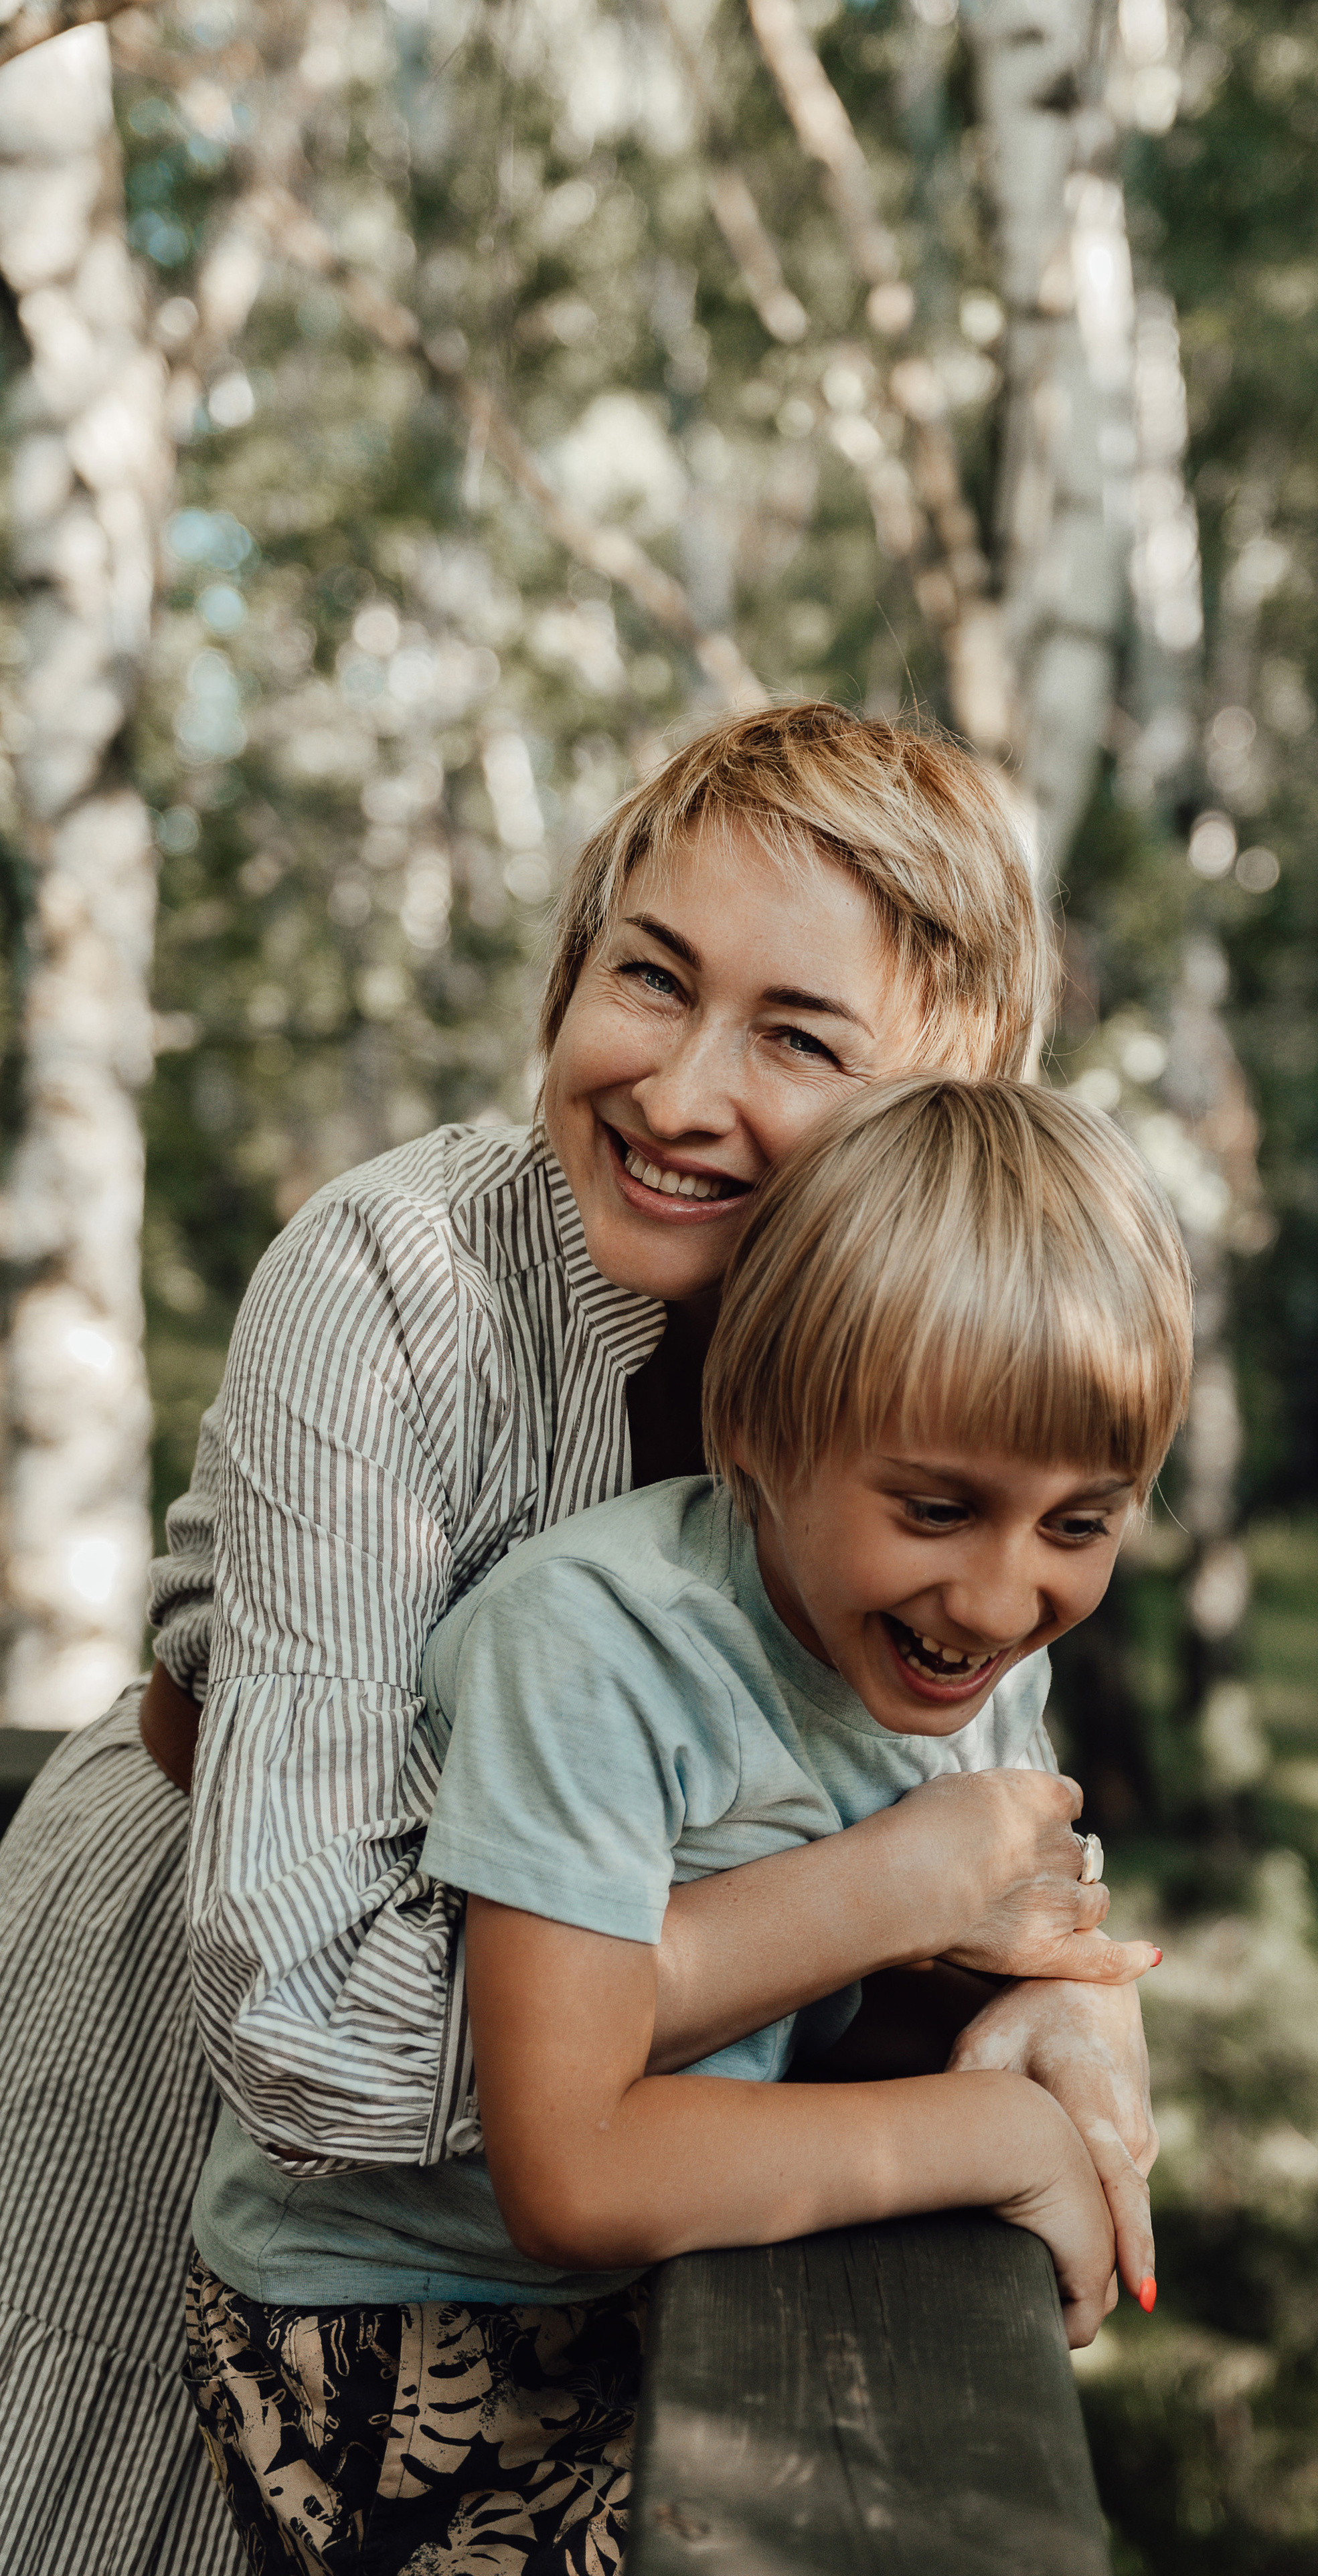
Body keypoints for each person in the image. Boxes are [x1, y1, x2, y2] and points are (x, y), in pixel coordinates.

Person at [0, 703, 1157, 2576]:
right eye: (651, 979)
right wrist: (868, 1906)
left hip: (597, 2213)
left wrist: (1061, 2001)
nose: (685, 1092)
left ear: (954, 1108)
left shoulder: (949, 1370)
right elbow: (317, 2033)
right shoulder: (390, 1283)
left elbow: (980, 1806)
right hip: (208, 2097)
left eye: (796, 1037)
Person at [181, 1075, 1193, 2572]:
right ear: (764, 1428)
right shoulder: (595, 1653)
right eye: (931, 1509)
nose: (997, 1602)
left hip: (659, 2281)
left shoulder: (960, 1647)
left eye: (1077, 1524)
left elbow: (1024, 1917)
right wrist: (994, 2137)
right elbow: (570, 2168)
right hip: (396, 2335)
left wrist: (1061, 2011)